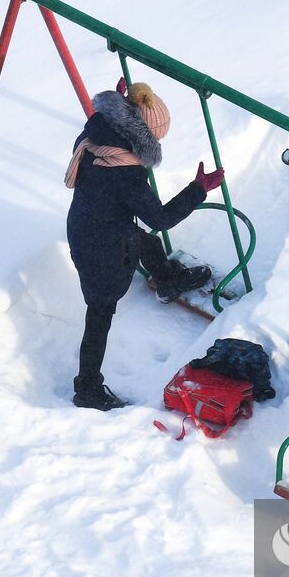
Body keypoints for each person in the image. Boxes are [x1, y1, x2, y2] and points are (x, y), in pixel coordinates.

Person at [64, 83, 225, 410]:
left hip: (86, 226)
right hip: (103, 249)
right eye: (156, 139)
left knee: (142, 240)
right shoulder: (125, 173)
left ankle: (167, 279)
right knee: (100, 313)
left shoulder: (96, 133)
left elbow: (104, 115)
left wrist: (120, 101)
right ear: (141, 138)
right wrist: (197, 189)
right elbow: (161, 217)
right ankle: (88, 388)